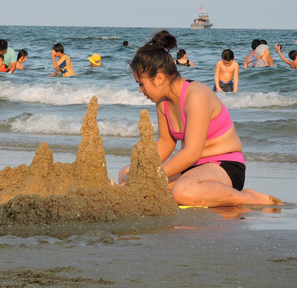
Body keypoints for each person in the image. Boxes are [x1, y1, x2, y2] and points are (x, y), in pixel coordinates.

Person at [118, 30, 279, 207]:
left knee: (182, 191)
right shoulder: (162, 102)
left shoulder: (196, 95)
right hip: (192, 168)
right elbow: (165, 142)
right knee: (126, 173)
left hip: (224, 165)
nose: (140, 90)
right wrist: (142, 171)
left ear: (159, 78)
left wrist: (153, 176)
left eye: (141, 84)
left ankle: (248, 198)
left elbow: (192, 152)